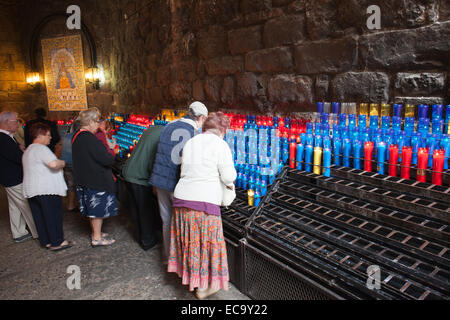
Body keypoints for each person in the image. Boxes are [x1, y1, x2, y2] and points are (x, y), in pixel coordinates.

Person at [168, 112, 236, 299]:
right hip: (203, 204)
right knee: (207, 245)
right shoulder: (220, 145)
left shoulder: (190, 142)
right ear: (223, 131)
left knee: (192, 243)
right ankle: (204, 287)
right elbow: (229, 176)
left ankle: (195, 281)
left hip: (181, 200)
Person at [149, 101, 208, 262]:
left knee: (166, 220)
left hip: (160, 180)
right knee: (183, 223)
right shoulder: (195, 134)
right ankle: (183, 261)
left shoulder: (169, 126)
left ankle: (170, 258)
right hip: (178, 186)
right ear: (201, 118)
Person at [72, 107, 117, 247]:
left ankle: (96, 233)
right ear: (90, 122)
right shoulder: (89, 139)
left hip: (85, 178)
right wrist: (112, 153)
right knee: (97, 211)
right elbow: (106, 159)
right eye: (97, 122)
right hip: (95, 180)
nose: (98, 125)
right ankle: (97, 238)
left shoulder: (78, 135)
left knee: (93, 210)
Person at [22, 122, 71, 251]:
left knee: (40, 217)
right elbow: (53, 164)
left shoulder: (28, 150)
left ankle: (46, 241)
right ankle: (57, 242)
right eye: (48, 135)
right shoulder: (40, 148)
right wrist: (63, 162)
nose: (50, 138)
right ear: (40, 135)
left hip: (32, 189)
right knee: (52, 215)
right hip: (46, 189)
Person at [122, 124, 164, 250]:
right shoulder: (163, 137)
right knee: (145, 210)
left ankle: (140, 236)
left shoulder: (153, 129)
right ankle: (148, 241)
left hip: (129, 172)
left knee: (136, 209)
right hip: (139, 177)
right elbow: (154, 162)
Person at [0, 111, 38, 243]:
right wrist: (23, 152)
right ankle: (38, 231)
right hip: (13, 177)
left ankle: (19, 232)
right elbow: (17, 157)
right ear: (6, 122)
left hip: (9, 177)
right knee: (26, 204)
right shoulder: (3, 138)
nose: (18, 124)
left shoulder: (8, 136)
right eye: (16, 121)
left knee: (14, 206)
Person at [60, 119, 81, 212]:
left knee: (71, 185)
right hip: (75, 164)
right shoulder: (79, 137)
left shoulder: (66, 136)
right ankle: (80, 205)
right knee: (79, 185)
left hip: (66, 164)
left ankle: (70, 205)